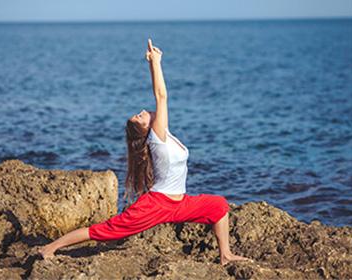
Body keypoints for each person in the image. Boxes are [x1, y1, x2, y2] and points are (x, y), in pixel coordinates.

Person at [39, 38, 251, 266]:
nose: (141, 111)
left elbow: (158, 97)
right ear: (146, 129)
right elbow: (161, 96)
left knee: (219, 205)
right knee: (107, 230)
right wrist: (158, 63)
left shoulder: (164, 133)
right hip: (157, 204)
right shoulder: (156, 139)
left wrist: (150, 62)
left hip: (179, 204)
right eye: (139, 116)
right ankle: (50, 248)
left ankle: (225, 255)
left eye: (139, 112)